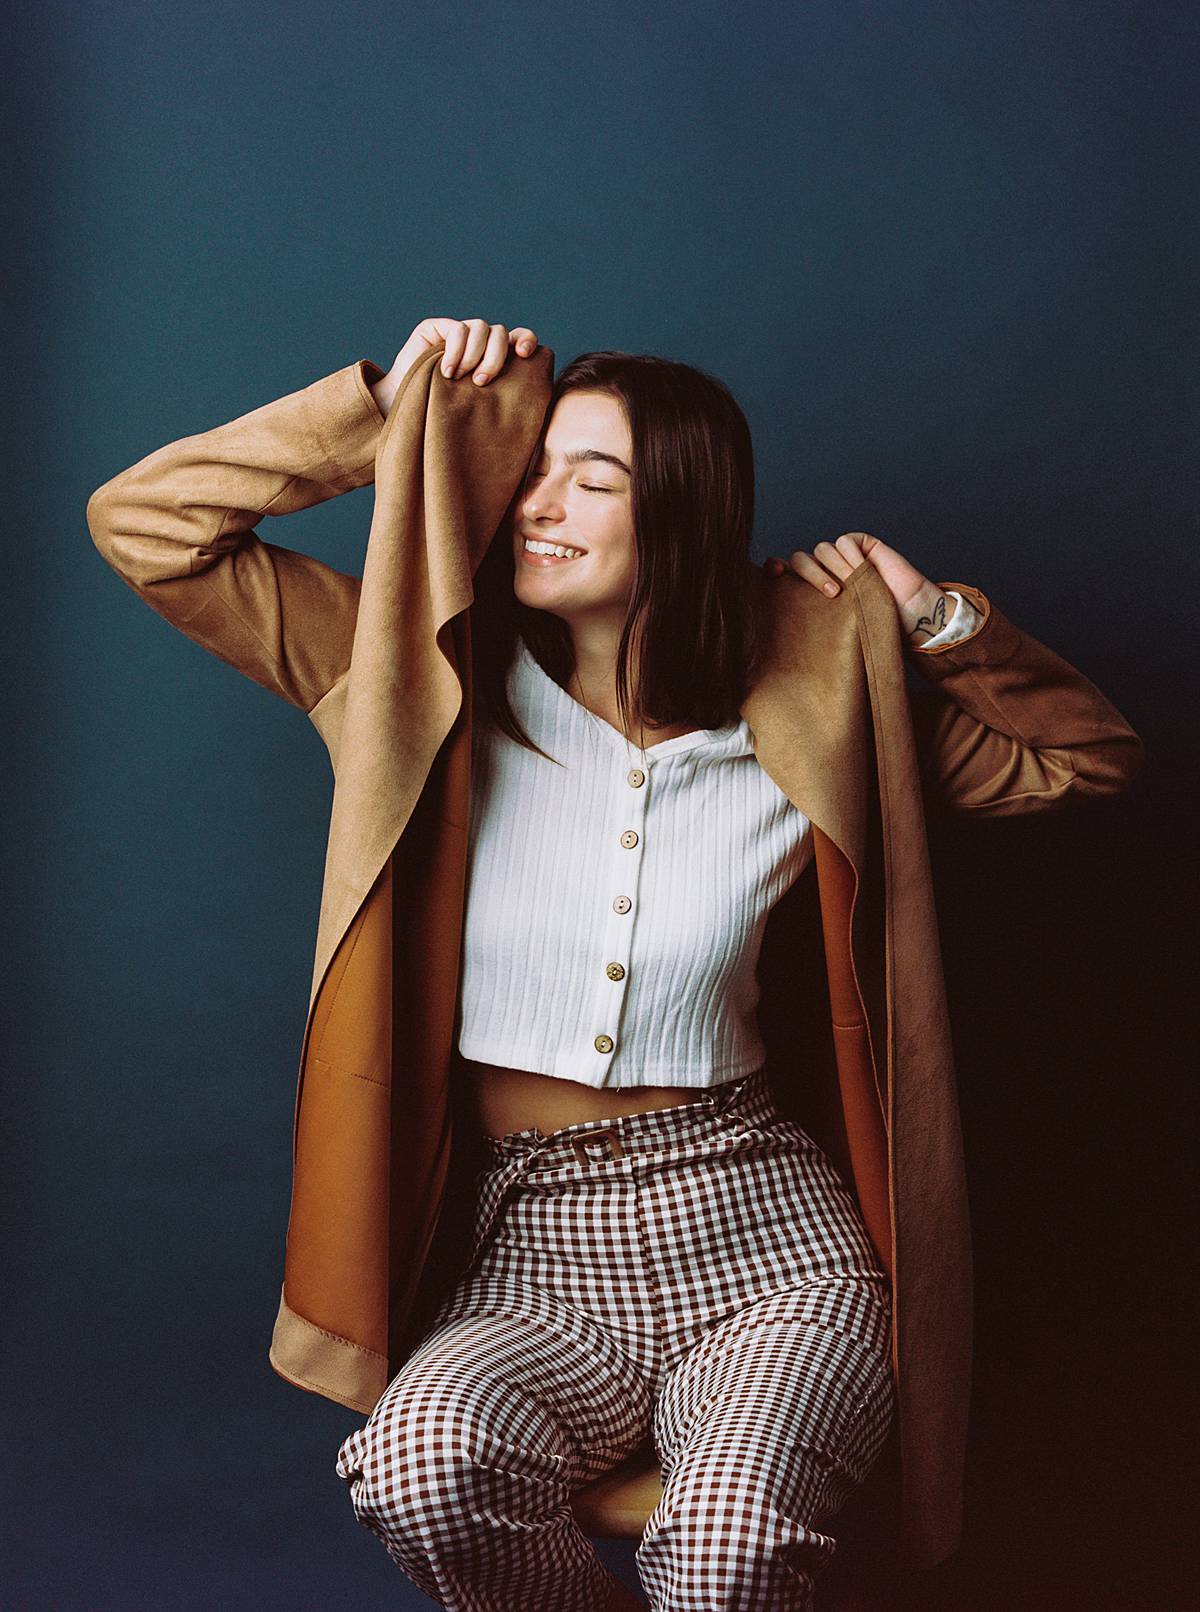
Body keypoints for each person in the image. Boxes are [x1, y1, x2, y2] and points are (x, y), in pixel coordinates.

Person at [87, 317, 1144, 1612]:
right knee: (420, 1469)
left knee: (721, 1558)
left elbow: (1082, 755)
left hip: (763, 1238)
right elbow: (148, 527)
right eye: (533, 468)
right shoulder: (413, 683)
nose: (539, 501)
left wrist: (932, 616)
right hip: (535, 1249)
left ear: (685, 515)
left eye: (593, 479)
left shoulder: (814, 714)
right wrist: (401, 416)